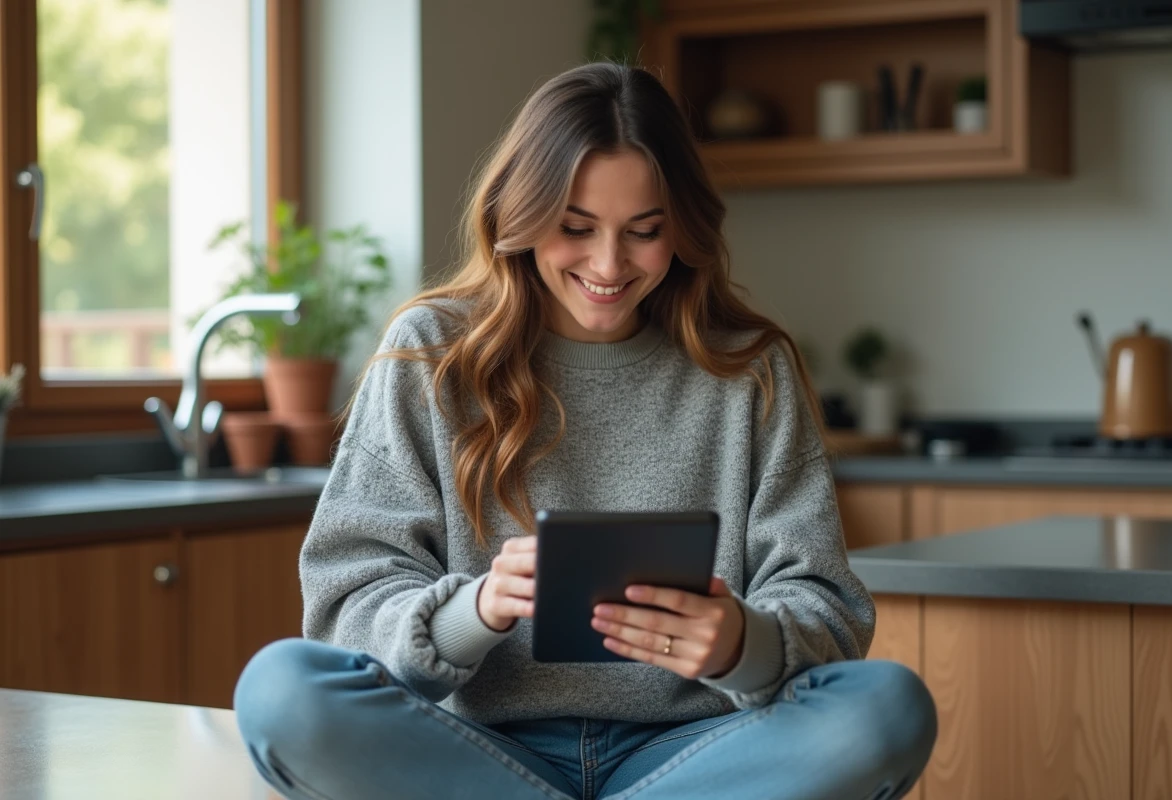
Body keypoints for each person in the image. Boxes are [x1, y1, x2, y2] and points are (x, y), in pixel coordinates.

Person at [234, 61, 937, 800]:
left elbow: (827, 604)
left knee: (888, 707)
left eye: (644, 232)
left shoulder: (749, 368)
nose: (608, 264)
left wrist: (739, 643)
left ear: (683, 228)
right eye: (575, 228)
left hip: (698, 750)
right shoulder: (432, 352)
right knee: (281, 689)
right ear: (521, 214)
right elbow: (344, 605)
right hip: (481, 746)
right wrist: (474, 611)